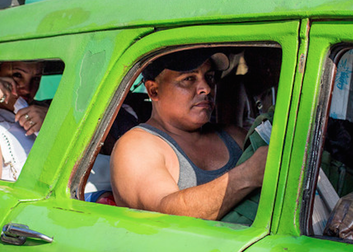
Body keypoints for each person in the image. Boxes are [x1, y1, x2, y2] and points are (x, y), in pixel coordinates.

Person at [110, 49, 268, 220]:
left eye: (210, 77)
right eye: (188, 79)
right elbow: (167, 216)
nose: (206, 89)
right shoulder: (136, 147)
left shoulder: (234, 136)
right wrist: (249, 174)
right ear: (154, 90)